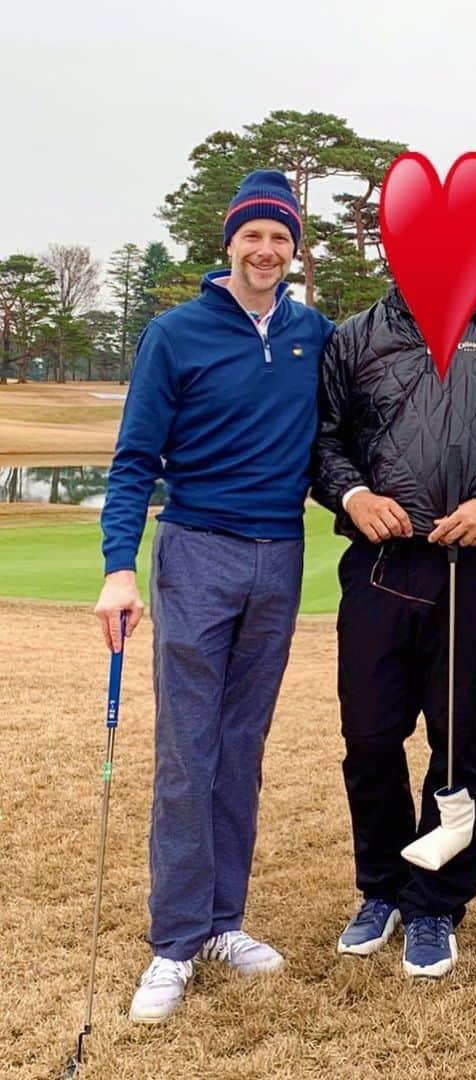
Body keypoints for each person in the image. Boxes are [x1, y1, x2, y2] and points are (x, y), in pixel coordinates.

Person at [93, 169, 335, 1024]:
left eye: (281, 238)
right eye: (253, 236)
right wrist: (120, 567)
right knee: (189, 749)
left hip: (281, 557)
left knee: (242, 746)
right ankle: (174, 940)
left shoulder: (316, 334)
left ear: (294, 249)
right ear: (229, 242)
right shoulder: (176, 332)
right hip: (197, 550)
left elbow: (338, 447)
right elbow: (132, 464)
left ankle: (223, 920)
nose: (266, 250)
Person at [312, 280, 476, 979]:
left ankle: (435, 902)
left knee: (459, 741)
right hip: (383, 562)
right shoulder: (354, 336)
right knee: (371, 736)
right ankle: (382, 887)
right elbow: (325, 442)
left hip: (472, 563)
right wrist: (354, 495)